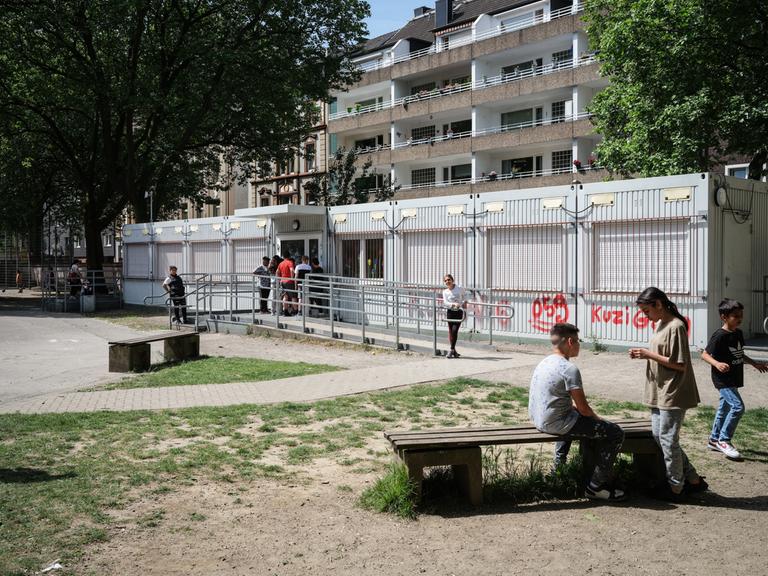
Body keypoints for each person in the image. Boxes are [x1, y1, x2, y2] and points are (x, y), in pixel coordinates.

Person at [529, 323, 626, 501]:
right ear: (571, 341)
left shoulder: (545, 361)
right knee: (615, 433)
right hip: (555, 424)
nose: (580, 345)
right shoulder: (569, 369)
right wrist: (600, 420)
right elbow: (584, 409)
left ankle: (566, 469)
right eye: (579, 341)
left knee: (585, 424)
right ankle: (596, 487)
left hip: (539, 419)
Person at [629, 287, 708, 499]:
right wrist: (643, 355)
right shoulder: (660, 324)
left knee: (667, 438)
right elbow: (661, 355)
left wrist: (647, 354)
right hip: (659, 390)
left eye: (647, 311)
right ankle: (692, 478)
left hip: (674, 391)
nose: (645, 316)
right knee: (660, 436)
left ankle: (676, 488)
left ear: (659, 304)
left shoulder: (676, 326)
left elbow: (679, 364)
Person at [701, 299, 768, 460]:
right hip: (723, 380)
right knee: (738, 407)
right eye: (735, 316)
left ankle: (713, 439)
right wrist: (717, 364)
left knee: (724, 408)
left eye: (741, 315)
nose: (740, 318)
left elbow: (739, 354)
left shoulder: (738, 333)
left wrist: (754, 364)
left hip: (734, 378)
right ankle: (724, 440)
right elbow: (705, 354)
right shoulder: (719, 335)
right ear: (724, 317)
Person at [442, 274, 467, 358]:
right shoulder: (445, 292)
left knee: (454, 330)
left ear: (452, 280)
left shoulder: (459, 288)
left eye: (449, 280)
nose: (447, 282)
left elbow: (465, 296)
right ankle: (454, 351)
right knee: (451, 331)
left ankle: (451, 349)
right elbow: (445, 302)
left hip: (459, 312)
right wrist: (453, 304)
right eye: (445, 281)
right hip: (450, 312)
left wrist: (463, 303)